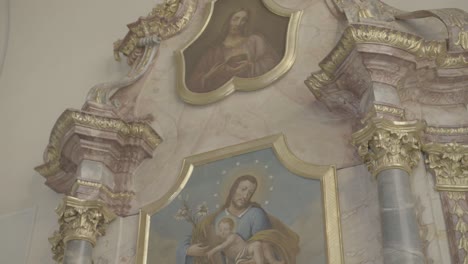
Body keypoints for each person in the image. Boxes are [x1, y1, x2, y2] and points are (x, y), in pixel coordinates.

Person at [176, 175, 300, 264]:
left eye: (250, 192)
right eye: (243, 189)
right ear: (233, 189)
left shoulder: (255, 214)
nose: (246, 195)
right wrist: (188, 250)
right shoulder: (214, 218)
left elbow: (265, 241)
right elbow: (192, 238)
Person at [187, 8, 280, 93]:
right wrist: (210, 75)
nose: (239, 23)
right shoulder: (213, 51)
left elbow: (273, 63)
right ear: (228, 21)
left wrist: (250, 65)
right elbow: (193, 83)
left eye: (243, 20)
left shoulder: (255, 41)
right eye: (235, 19)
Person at [207, 217, 285, 264]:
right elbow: (227, 256)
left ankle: (273, 261)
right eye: (220, 230)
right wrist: (212, 252)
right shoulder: (224, 244)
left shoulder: (232, 236)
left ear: (231, 230)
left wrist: (212, 251)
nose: (222, 232)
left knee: (264, 244)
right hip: (242, 257)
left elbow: (222, 246)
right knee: (257, 244)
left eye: (225, 229)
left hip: (247, 250)